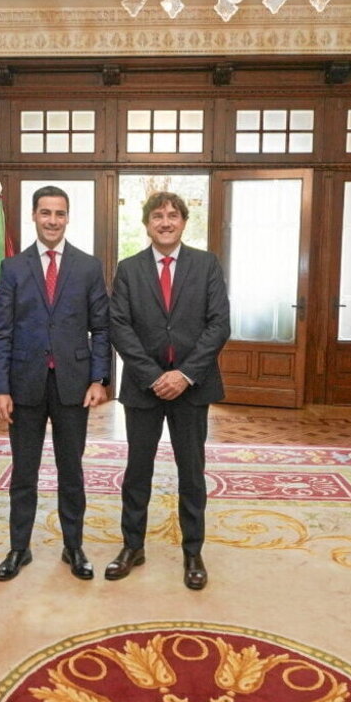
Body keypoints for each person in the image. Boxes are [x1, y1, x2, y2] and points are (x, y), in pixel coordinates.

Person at [105, 191, 230, 590]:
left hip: (192, 388)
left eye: (172, 215)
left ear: (183, 222)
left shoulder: (206, 264)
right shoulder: (129, 269)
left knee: (191, 472)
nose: (165, 222)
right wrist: (153, 375)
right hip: (144, 388)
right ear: (146, 224)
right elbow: (119, 326)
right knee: (137, 471)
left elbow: (218, 324)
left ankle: (193, 551)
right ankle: (132, 546)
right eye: (157, 216)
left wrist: (184, 375)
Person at [0, 185, 111, 582]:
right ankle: (18, 549)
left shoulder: (89, 266)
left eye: (60, 213)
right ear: (34, 216)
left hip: (73, 386)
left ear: (68, 218)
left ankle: (73, 546)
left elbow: (101, 328)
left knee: (70, 471)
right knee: (24, 472)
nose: (53, 220)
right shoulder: (12, 268)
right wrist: (0, 388)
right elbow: (1, 332)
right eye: (46, 213)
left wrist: (99, 378)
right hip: (24, 385)